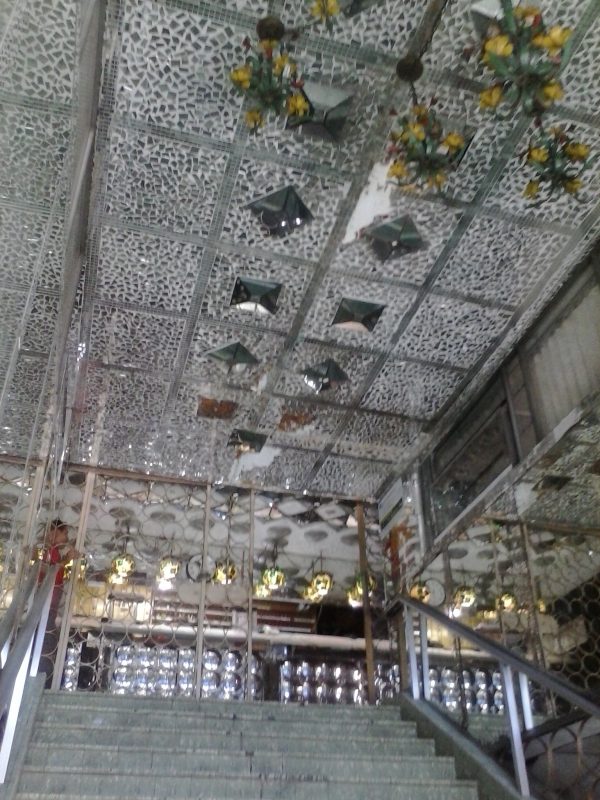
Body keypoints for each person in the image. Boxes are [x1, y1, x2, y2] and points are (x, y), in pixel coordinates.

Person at [36, 519, 80, 687]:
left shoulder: (52, 550)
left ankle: (44, 676)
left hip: (49, 604)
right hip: (47, 604)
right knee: (47, 641)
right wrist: (67, 559)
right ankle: (43, 679)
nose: (66, 537)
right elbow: (50, 571)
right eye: (65, 533)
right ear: (55, 532)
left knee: (49, 639)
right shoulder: (49, 550)